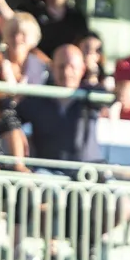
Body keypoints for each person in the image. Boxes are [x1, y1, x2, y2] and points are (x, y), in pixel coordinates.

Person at [24, 41, 108, 169]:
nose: (67, 72)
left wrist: (126, 87)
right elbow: (11, 119)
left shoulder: (93, 94)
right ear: (52, 68)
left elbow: (110, 97)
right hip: (46, 175)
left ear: (82, 69)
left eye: (72, 67)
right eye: (61, 66)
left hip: (89, 174)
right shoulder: (38, 97)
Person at [4, 14, 49, 86]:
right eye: (13, 32)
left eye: (23, 34)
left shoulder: (41, 66)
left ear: (33, 38)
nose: (17, 38)